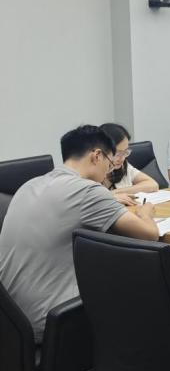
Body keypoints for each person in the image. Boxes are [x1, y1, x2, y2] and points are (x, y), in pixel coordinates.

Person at [0, 125, 158, 342]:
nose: (108, 173)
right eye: (109, 164)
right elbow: (149, 235)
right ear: (97, 155)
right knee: (142, 284)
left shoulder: (28, 185)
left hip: (9, 322)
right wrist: (145, 213)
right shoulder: (88, 190)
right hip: (49, 321)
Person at [99, 123, 159, 206]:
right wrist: (110, 197)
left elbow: (153, 185)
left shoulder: (123, 166)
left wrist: (116, 192)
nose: (123, 158)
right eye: (118, 154)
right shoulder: (91, 173)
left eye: (125, 152)